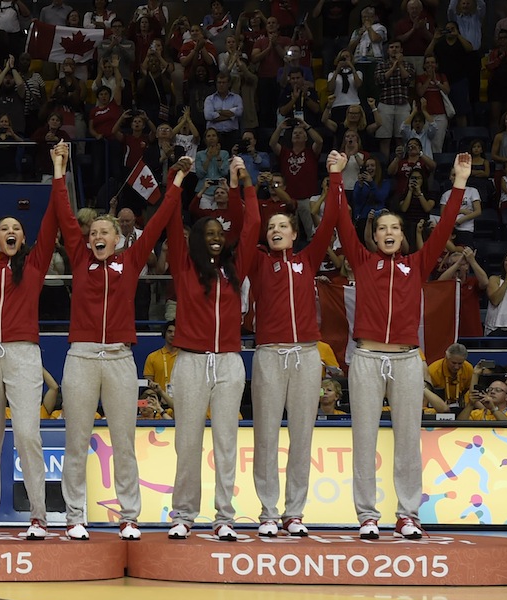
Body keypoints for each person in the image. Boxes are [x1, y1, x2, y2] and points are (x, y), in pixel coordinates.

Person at [333, 152, 469, 540]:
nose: (389, 233)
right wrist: (335, 177)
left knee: (409, 439)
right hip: (366, 358)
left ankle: (408, 514)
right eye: (382, 228)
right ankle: (367, 516)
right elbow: (341, 221)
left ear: (402, 235)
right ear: (374, 236)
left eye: (395, 227)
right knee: (365, 437)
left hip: (408, 360)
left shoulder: (418, 264)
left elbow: (443, 229)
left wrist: (458, 183)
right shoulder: (361, 261)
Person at [54, 151, 184, 541]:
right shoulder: (79, 258)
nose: (96, 237)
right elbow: (63, 214)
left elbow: (159, 221)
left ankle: (129, 515)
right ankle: (74, 515)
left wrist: (176, 185)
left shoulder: (130, 261)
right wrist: (59, 174)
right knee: (76, 439)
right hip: (81, 357)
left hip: (120, 359)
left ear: (118, 238)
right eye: (92, 232)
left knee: (124, 440)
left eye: (103, 233)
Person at [236, 151, 345, 538]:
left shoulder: (308, 260)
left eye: (284, 225)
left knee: (302, 434)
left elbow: (330, 219)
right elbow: (246, 228)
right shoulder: (259, 263)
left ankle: (294, 511)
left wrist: (334, 176)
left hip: (305, 354)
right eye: (272, 227)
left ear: (295, 233)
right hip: (268, 354)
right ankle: (267, 510)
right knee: (265, 434)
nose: (277, 229)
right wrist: (246, 187)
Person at [0, 146, 64, 539]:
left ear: (24, 239)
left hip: (22, 353)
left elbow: (54, 221)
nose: (11, 232)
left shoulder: (34, 265)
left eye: (17, 229)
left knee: (26, 432)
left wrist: (57, 171)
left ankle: (38, 514)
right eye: (5, 228)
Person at [161, 155, 259, 541]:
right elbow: (170, 220)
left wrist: (245, 183)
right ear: (198, 238)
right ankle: (183, 513)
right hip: (190, 361)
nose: (217, 236)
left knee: (226, 442)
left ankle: (224, 516)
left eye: (221, 231)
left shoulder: (237, 267)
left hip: (230, 363)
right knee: (187, 440)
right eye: (210, 231)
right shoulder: (183, 265)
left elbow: (251, 224)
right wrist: (178, 178)